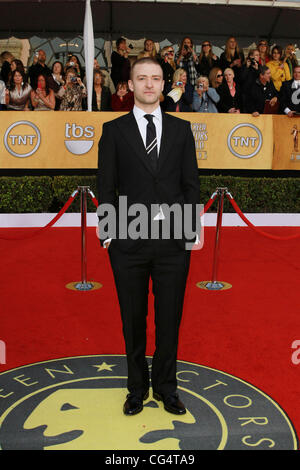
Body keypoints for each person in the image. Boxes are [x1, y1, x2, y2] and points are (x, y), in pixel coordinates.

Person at [97, 57, 200, 417]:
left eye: (156, 78)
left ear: (163, 84)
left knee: (169, 318)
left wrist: (190, 232)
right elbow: (106, 187)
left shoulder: (182, 129)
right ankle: (136, 389)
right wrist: (107, 234)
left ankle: (167, 388)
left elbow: (190, 185)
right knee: (133, 320)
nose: (149, 84)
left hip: (173, 244)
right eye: (142, 78)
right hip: (128, 243)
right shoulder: (114, 131)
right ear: (131, 84)